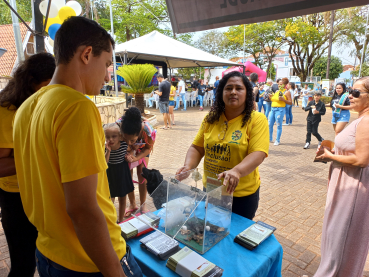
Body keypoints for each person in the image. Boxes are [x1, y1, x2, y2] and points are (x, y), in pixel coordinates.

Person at [12, 17, 142, 277]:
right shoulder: (77, 107)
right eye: (106, 64)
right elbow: (82, 208)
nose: (108, 75)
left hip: (49, 252)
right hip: (88, 261)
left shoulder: (27, 106)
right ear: (86, 54)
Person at [176, 71, 269, 220]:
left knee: (234, 237)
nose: (233, 92)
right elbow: (197, 147)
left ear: (247, 93)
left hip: (241, 195)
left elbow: (258, 153)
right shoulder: (210, 119)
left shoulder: (256, 119)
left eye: (239, 88)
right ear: (221, 92)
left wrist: (237, 171)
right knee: (212, 228)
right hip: (212, 190)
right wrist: (188, 166)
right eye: (228, 88)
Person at [0, 53, 55, 277]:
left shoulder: (37, 103)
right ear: (31, 81)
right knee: (23, 266)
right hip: (16, 197)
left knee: (41, 256)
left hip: (37, 191)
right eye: (47, 85)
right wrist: (38, 156)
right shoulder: (7, 110)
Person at [314, 77, 369, 277]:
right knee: (334, 235)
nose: (349, 96)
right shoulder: (361, 118)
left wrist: (330, 156)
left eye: (356, 93)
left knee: (341, 239)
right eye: (349, 92)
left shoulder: (367, 121)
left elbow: (362, 160)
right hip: (345, 182)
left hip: (353, 187)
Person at [120, 108, 156, 216]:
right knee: (128, 175)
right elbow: (119, 143)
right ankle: (132, 204)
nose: (128, 142)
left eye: (132, 140)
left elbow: (147, 149)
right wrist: (129, 148)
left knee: (142, 174)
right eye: (126, 139)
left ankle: (143, 205)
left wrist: (136, 158)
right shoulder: (119, 125)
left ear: (139, 133)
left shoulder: (148, 130)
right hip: (127, 150)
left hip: (143, 148)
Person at [104, 123, 134, 223]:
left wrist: (129, 157)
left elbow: (131, 151)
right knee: (110, 200)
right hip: (110, 174)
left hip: (122, 173)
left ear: (120, 136)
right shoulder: (105, 148)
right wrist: (108, 151)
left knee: (122, 198)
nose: (111, 140)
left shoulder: (124, 145)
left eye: (114, 136)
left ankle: (121, 221)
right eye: (108, 137)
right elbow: (105, 162)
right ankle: (112, 221)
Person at [269, 78, 292, 146]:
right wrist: (271, 97)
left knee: (279, 125)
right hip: (272, 109)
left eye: (281, 84)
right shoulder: (276, 92)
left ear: (285, 85)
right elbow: (274, 100)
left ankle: (277, 140)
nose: (279, 86)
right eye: (278, 84)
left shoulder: (286, 92)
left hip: (280, 110)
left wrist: (283, 100)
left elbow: (290, 102)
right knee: (270, 124)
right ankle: (270, 138)